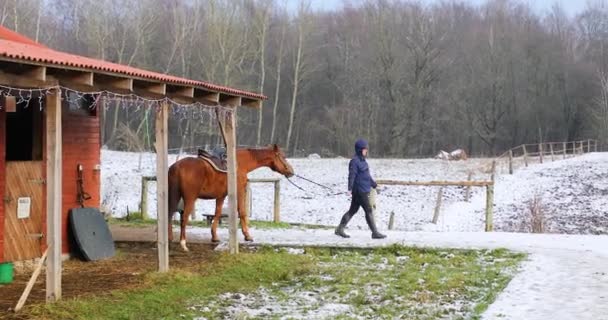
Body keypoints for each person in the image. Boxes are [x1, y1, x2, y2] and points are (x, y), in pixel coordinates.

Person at [335, 138, 387, 239]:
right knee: (368, 210)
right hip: (359, 191)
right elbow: (352, 175)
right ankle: (375, 232)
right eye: (364, 149)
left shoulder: (363, 162)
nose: (366, 151)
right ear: (359, 150)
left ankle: (339, 229)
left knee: (352, 210)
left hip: (363, 190)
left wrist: (375, 186)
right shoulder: (354, 162)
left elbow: (367, 177)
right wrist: (350, 188)